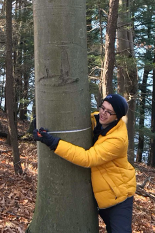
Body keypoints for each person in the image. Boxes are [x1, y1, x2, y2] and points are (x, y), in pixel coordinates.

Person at [33, 93, 136, 232]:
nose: (103, 114)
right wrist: (41, 122)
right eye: (102, 108)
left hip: (119, 197)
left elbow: (88, 158)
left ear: (117, 117)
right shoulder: (98, 119)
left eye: (109, 112)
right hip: (103, 194)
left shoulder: (118, 140)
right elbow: (75, 120)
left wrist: (54, 143)